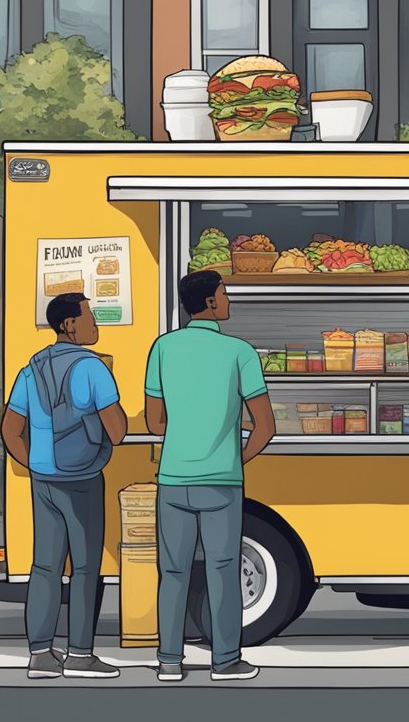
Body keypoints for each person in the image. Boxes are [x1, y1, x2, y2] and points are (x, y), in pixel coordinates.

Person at [145, 270, 274, 682]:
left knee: (173, 572)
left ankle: (168, 662)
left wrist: (187, 432)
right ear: (212, 303)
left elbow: (153, 422)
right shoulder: (240, 352)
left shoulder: (162, 348)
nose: (229, 300)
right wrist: (236, 458)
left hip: (174, 479)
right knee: (223, 570)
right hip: (222, 481)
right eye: (224, 293)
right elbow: (266, 427)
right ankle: (225, 661)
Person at [1, 292, 128, 681]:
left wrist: (37, 462)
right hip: (83, 478)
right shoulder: (92, 368)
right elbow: (118, 431)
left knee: (45, 566)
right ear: (69, 324)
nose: (96, 324)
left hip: (44, 478)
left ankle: (40, 654)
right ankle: (80, 655)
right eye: (90, 316)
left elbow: (9, 429)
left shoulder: (31, 369)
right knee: (86, 568)